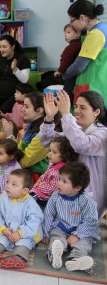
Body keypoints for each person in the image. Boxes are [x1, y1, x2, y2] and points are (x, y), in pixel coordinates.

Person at [40, 90, 107, 218]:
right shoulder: (76, 130)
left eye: (82, 107)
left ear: (96, 112)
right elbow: (48, 141)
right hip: (71, 194)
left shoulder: (102, 134)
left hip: (91, 200)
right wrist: (49, 118)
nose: (76, 111)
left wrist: (65, 113)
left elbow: (81, 144)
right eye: (75, 106)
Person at [0, 169, 44, 269]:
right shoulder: (3, 198)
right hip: (7, 231)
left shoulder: (30, 203)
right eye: (7, 182)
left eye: (14, 184)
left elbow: (34, 221)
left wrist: (20, 233)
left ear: (25, 191)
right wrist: (2, 229)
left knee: (24, 243)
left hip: (24, 234)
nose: (8, 186)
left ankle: (18, 258)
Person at [42, 162, 99, 273]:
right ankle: (54, 255)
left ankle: (75, 260)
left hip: (80, 229)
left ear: (77, 187)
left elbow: (91, 220)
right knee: (56, 237)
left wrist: (78, 235)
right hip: (61, 226)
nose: (59, 183)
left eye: (64, 181)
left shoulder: (86, 201)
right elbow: (49, 213)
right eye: (59, 179)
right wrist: (46, 232)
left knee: (84, 243)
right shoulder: (56, 196)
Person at [64, 0, 107, 102]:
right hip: (99, 82)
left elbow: (79, 66)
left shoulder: (95, 34)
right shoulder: (103, 28)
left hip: (92, 86)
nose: (72, 24)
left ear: (82, 17)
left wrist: (64, 74)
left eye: (72, 20)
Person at [0, 35, 31, 113]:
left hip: (13, 96)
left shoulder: (22, 58)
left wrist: (15, 69)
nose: (1, 50)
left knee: (3, 111)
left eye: (4, 47)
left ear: (12, 47)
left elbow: (25, 80)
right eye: (0, 47)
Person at [30, 137, 78, 207]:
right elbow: (44, 176)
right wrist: (40, 181)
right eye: (50, 150)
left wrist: (39, 185)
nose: (50, 154)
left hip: (43, 199)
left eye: (54, 152)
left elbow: (52, 189)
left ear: (64, 155)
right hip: (39, 192)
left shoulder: (60, 172)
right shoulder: (53, 165)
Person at [36, 23, 81, 96]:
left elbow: (66, 60)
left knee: (67, 91)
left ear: (77, 34)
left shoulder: (72, 46)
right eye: (65, 33)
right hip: (73, 73)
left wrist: (60, 70)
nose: (65, 35)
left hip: (70, 74)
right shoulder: (77, 44)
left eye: (68, 32)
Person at [19, 92, 50, 176]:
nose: (22, 109)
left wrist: (9, 136)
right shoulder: (31, 124)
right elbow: (21, 147)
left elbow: (24, 161)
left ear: (39, 110)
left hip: (37, 177)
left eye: (26, 107)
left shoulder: (44, 134)